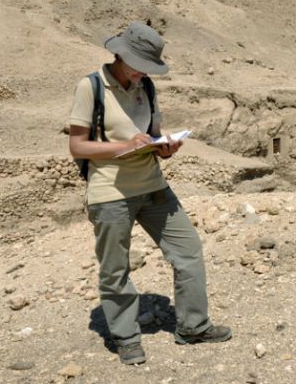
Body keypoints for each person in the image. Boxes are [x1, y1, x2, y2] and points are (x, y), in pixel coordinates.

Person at [68, 22, 232, 365]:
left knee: (188, 250)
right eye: (138, 66)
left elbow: (152, 133)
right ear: (120, 55)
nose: (143, 73)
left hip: (153, 185)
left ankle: (193, 326)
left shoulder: (148, 87)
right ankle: (126, 337)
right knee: (115, 269)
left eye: (148, 67)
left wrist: (165, 148)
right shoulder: (91, 86)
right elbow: (77, 145)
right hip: (110, 192)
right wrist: (123, 146)